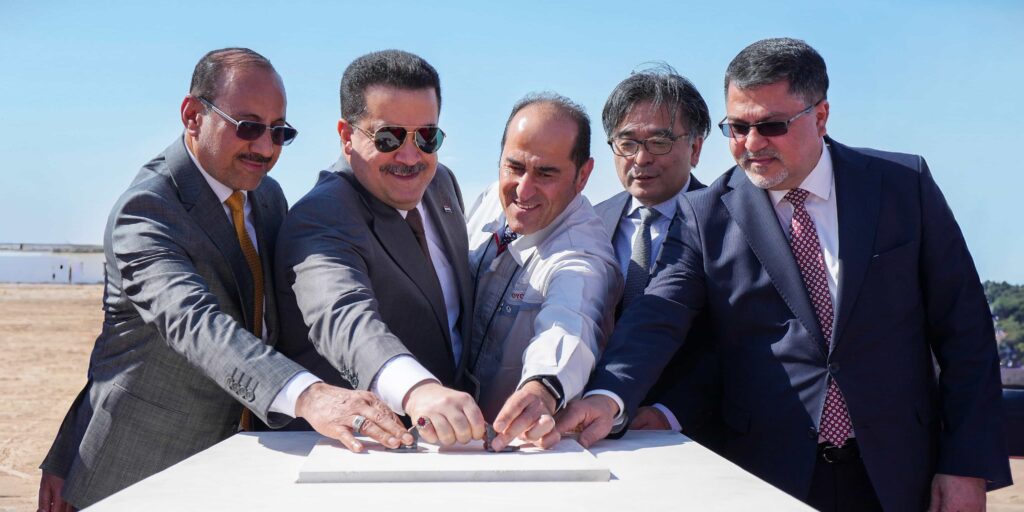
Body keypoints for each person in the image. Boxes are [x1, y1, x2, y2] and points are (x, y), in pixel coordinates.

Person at [558, 38, 1011, 511]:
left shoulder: (901, 186)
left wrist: (966, 465)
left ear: (821, 116)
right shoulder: (705, 216)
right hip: (768, 477)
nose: (752, 144)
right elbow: (657, 316)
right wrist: (607, 397)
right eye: (738, 128)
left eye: (771, 126)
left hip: (901, 474)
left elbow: (965, 332)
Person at [37, 48, 410, 512]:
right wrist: (310, 396)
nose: (266, 148)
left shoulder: (266, 197)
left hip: (239, 464)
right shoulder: (147, 211)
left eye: (279, 132)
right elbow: (195, 324)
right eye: (248, 127)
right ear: (193, 116)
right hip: (140, 469)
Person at [275, 50, 486, 447]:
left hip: (451, 444)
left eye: (426, 137)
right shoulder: (321, 215)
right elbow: (344, 317)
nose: (410, 157)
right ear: (346, 136)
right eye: (389, 137)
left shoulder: (441, 183)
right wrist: (417, 390)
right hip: (359, 452)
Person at [465, 94, 621, 451]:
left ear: (583, 176)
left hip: (523, 449)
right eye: (514, 167)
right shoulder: (489, 199)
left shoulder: (583, 254)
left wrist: (542, 388)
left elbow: (570, 321)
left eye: (546, 173)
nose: (523, 189)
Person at [593, 66, 722, 445]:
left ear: (695, 148)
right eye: (627, 143)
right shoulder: (591, 222)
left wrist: (671, 411)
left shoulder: (728, 223)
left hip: (694, 436)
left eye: (659, 142)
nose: (641, 158)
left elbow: (742, 341)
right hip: (595, 427)